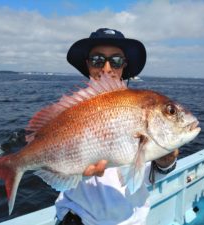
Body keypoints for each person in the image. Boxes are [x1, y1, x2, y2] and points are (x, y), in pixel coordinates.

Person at [55, 28, 179, 225]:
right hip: (75, 219)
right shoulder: (70, 111)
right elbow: (53, 165)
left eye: (116, 60)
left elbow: (150, 175)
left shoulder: (144, 108)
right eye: (97, 60)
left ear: (124, 66)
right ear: (88, 64)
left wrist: (166, 162)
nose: (106, 68)